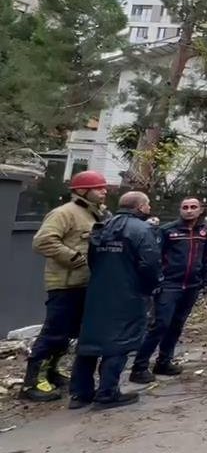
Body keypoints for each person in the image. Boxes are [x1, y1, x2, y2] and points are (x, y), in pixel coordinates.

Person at [20, 170, 109, 403]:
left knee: (68, 335)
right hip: (65, 284)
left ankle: (51, 372)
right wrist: (72, 257)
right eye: (98, 187)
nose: (104, 191)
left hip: (83, 283)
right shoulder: (64, 213)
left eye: (103, 187)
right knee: (53, 334)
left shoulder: (93, 214)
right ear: (81, 191)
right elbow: (43, 241)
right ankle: (31, 383)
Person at [70, 191, 162, 410]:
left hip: (98, 291)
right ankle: (107, 393)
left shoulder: (102, 226)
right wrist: (150, 288)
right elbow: (149, 264)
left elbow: (92, 259)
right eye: (147, 204)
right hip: (128, 293)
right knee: (119, 342)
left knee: (90, 341)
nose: (149, 208)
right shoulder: (143, 229)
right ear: (140, 207)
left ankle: (80, 394)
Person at [129, 197, 207, 384]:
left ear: (200, 210)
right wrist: (157, 282)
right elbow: (154, 257)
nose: (189, 211)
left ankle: (164, 362)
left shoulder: (204, 233)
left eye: (193, 207)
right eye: (185, 207)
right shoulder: (168, 231)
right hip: (169, 286)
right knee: (160, 325)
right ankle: (139, 367)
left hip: (192, 286)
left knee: (177, 325)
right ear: (180, 210)